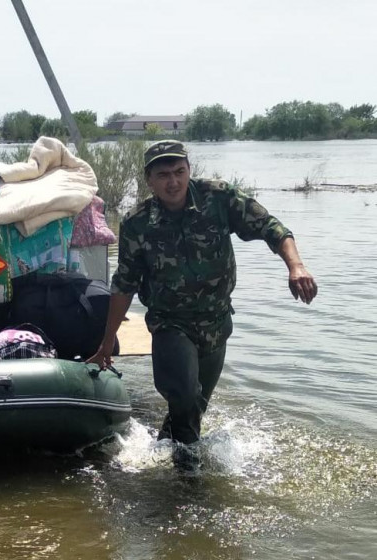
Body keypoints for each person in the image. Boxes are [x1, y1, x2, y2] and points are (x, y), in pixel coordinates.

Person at [87, 140, 318, 469]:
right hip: (170, 323)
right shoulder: (138, 223)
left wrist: (296, 266)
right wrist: (107, 341)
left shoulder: (218, 197)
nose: (173, 182)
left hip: (216, 322)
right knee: (183, 393)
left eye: (179, 172)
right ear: (149, 180)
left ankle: (160, 457)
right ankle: (189, 481)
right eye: (163, 175)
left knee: (192, 408)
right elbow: (124, 283)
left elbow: (271, 227)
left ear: (189, 170)